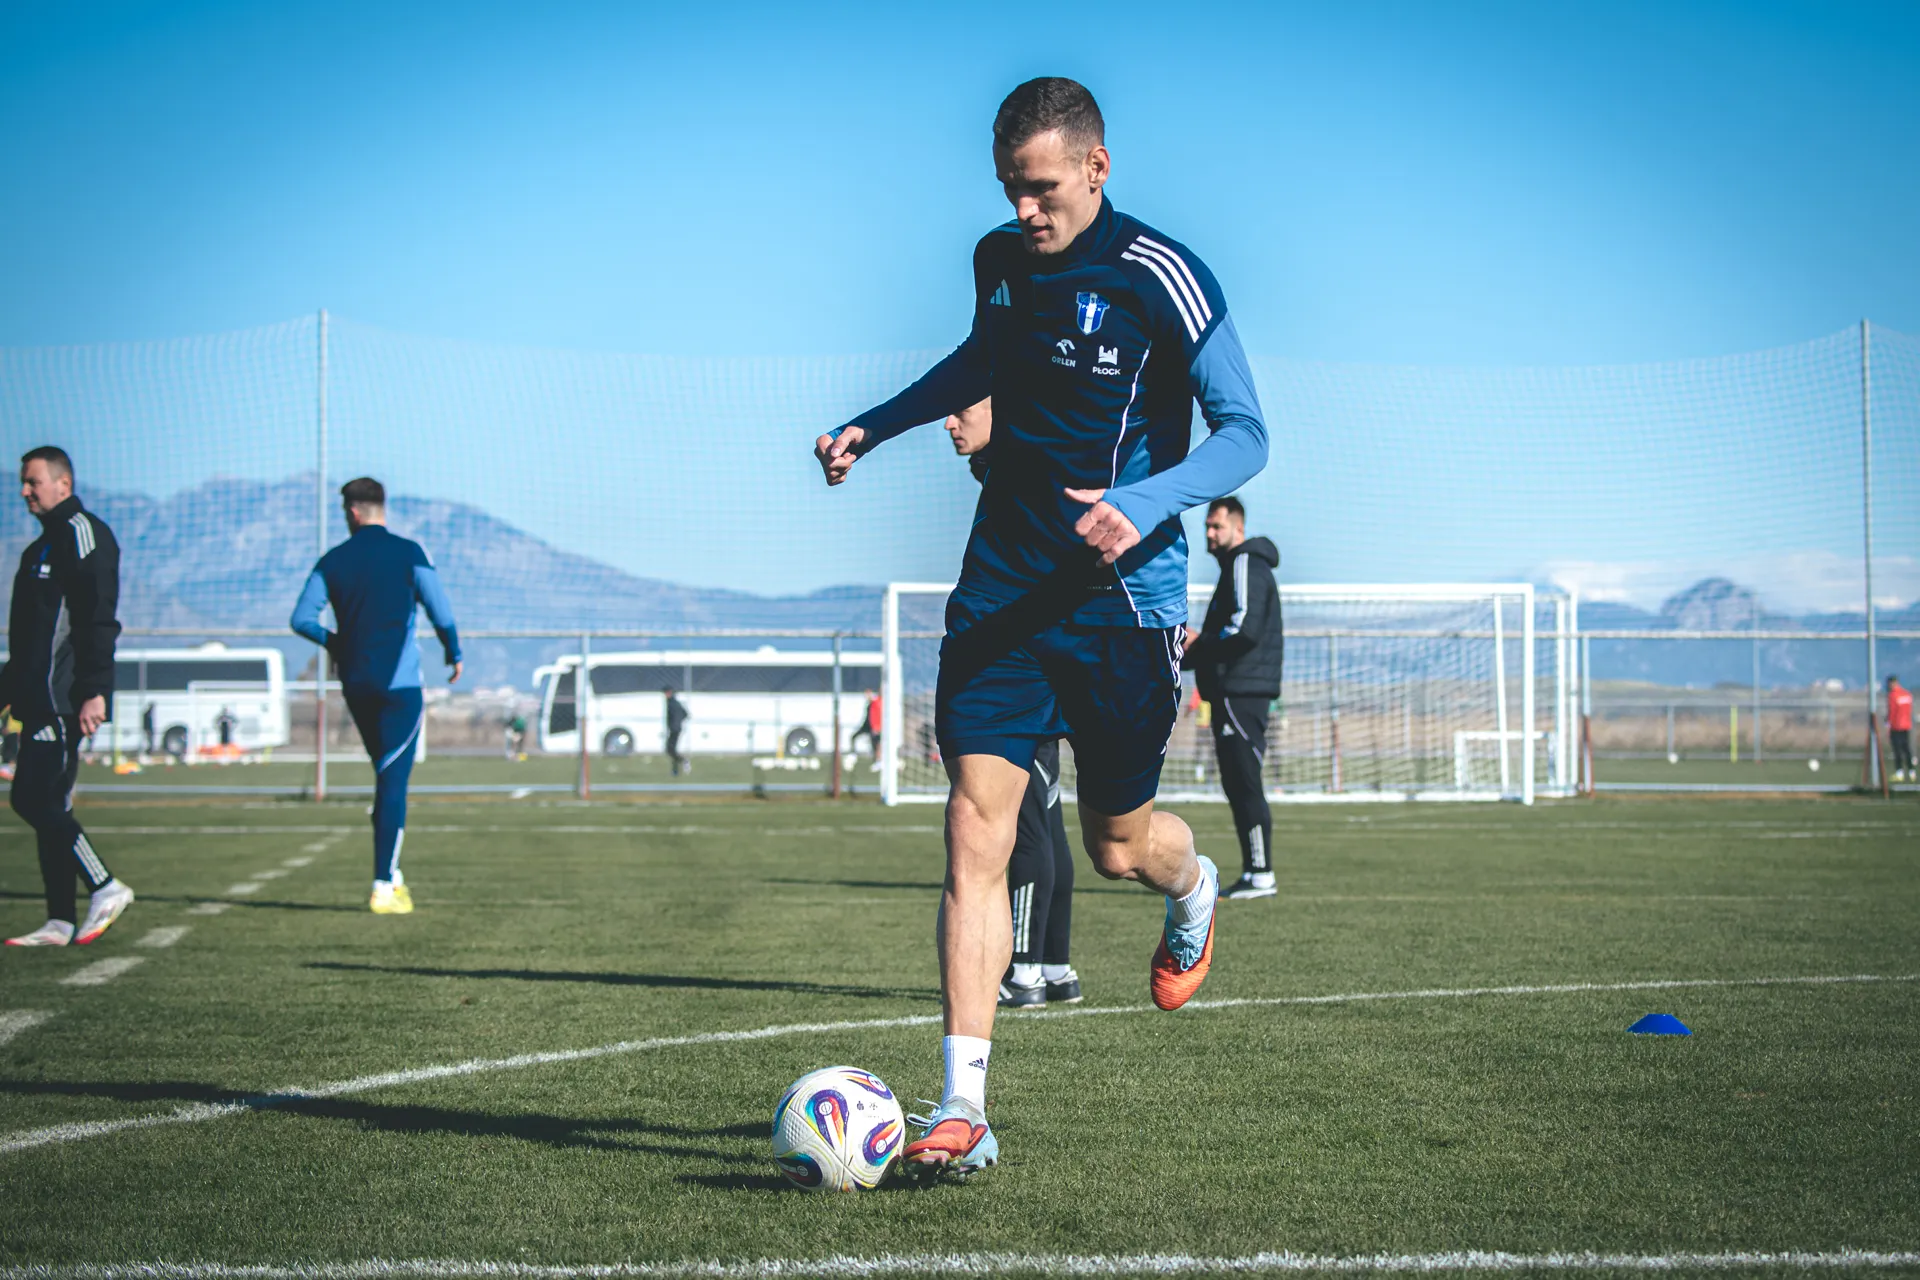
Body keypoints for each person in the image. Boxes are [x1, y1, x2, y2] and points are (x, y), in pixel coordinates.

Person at [814, 78, 1267, 1178]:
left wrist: (1145, 502)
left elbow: (1245, 432)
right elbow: (980, 361)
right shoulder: (1001, 261)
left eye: (1042, 187)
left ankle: (1193, 884)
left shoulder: (1164, 275)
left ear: (1096, 169)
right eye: (1010, 189)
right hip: (1001, 592)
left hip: (1122, 606)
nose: (1024, 209)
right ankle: (962, 1106)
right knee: (977, 830)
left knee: (1118, 847)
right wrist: (874, 425)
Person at [949, 395, 1083, 1010]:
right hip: (1043, 665)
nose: (949, 421)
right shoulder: (1011, 468)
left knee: (1027, 826)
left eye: (962, 409)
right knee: (1048, 822)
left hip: (1023, 671)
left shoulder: (1027, 468)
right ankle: (1055, 966)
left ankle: (1024, 969)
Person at [291, 477, 462, 914]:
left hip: (356, 684)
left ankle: (394, 875)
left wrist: (337, 643)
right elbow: (439, 608)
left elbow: (302, 619)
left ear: (352, 512)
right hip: (399, 686)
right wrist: (454, 651)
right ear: (379, 507)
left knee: (385, 778)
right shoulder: (409, 552)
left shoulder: (333, 560)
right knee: (392, 783)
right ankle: (384, 885)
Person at [1, 446, 135, 947]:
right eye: (23, 482)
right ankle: (59, 920)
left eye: (33, 481)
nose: (24, 491)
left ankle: (105, 885)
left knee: (31, 798)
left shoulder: (83, 534)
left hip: (63, 698)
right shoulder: (38, 549)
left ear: (63, 484)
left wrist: (95, 690)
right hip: (36, 698)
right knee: (48, 802)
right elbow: (27, 640)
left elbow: (98, 618)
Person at [1183, 497, 1284, 899]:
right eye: (1207, 527)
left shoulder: (1245, 561)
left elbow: (1243, 629)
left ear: (1238, 528)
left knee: (1244, 782)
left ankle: (1261, 873)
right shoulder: (1235, 566)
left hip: (1241, 692)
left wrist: (1197, 644)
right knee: (1237, 782)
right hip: (1234, 691)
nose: (1210, 534)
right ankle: (1255, 872)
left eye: (1217, 526)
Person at [1887, 675, 1913, 783]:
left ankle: (1899, 773)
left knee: (1897, 750)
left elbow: (1892, 711)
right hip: (1906, 725)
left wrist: (1888, 724)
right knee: (1906, 749)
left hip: (1896, 726)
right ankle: (1912, 772)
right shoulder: (1907, 694)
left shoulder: (1893, 695)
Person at [663, 686, 689, 775]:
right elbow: (685, 714)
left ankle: (682, 762)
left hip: (675, 729)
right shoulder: (674, 702)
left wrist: (676, 722)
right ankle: (675, 770)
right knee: (671, 749)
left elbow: (684, 714)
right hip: (675, 728)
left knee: (670, 749)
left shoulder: (672, 703)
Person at [850, 689, 882, 760]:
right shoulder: (869, 704)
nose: (866, 696)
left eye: (868, 694)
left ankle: (877, 759)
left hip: (873, 727)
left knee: (875, 743)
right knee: (853, 737)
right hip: (866, 726)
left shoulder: (876, 703)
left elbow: (876, 716)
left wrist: (876, 727)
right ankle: (853, 754)